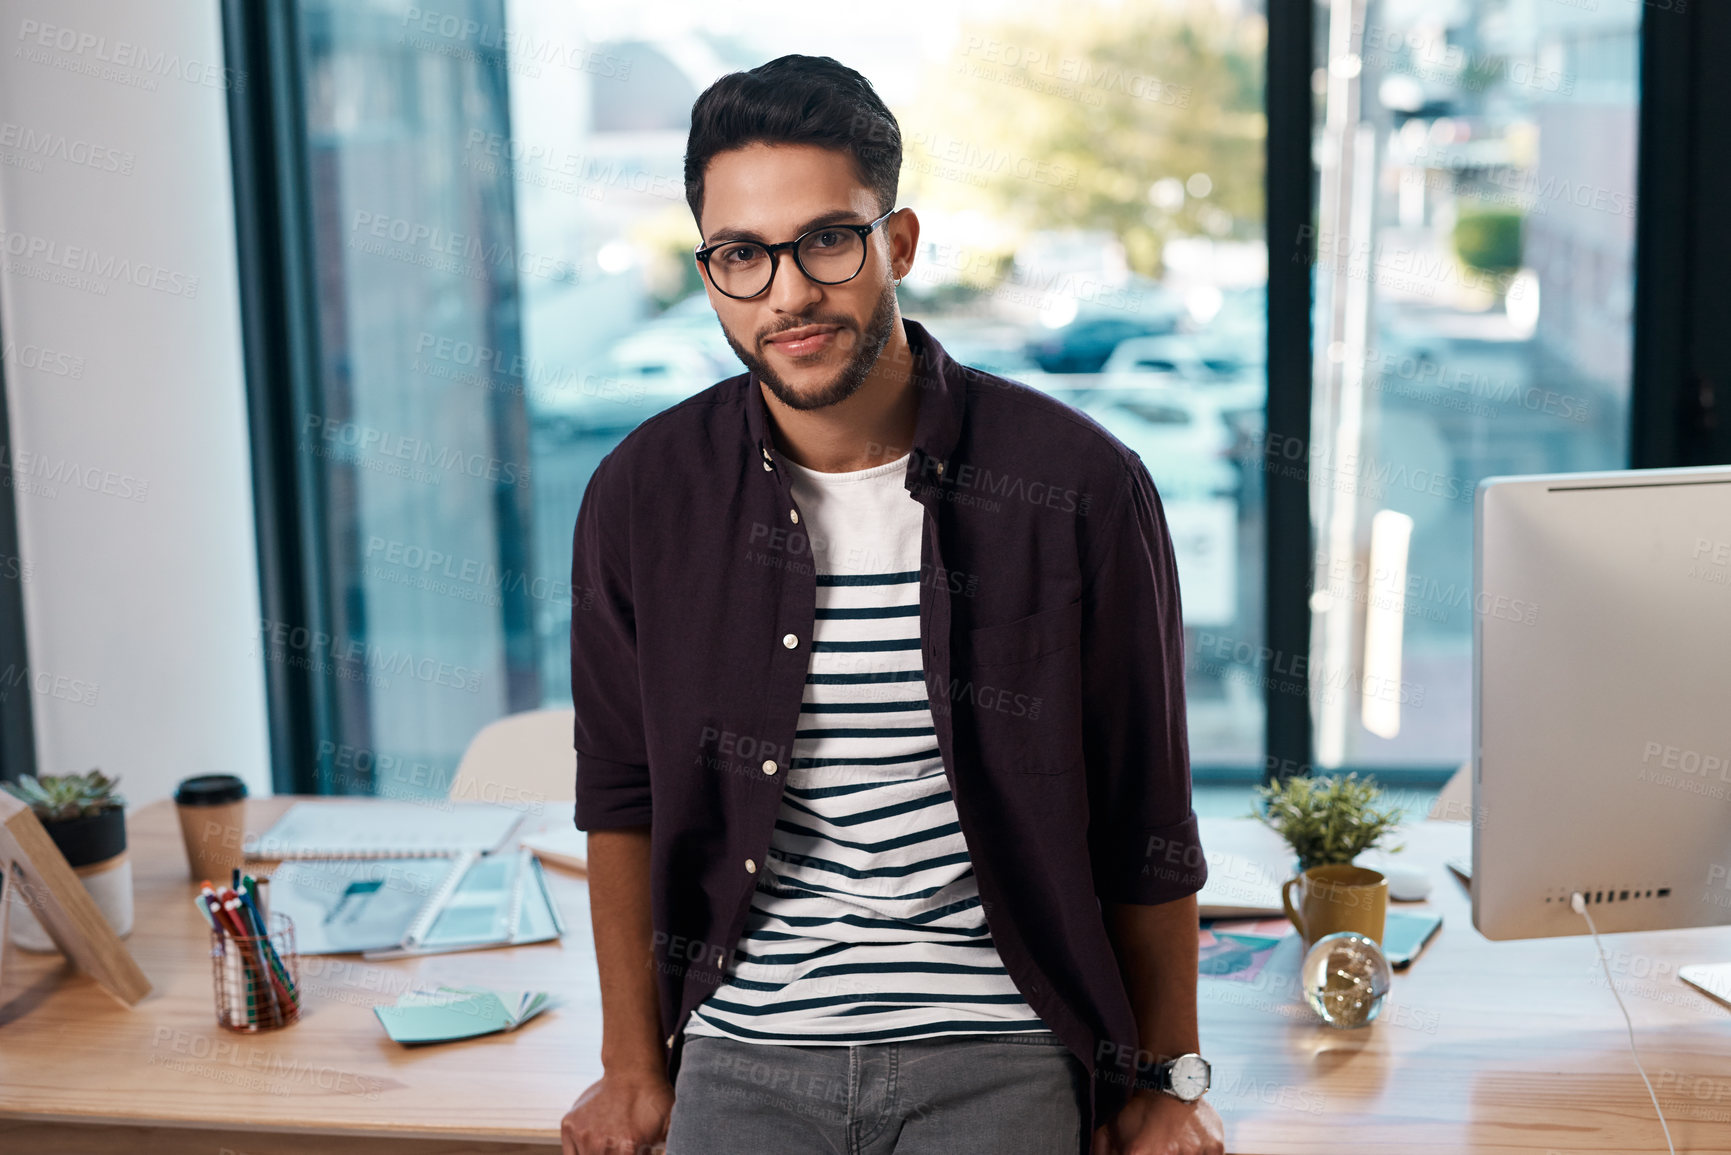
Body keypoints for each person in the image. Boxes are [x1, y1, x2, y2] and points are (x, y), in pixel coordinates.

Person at [560, 53, 1220, 1155]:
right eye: (740, 255)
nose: (787, 292)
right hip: (745, 1045)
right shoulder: (642, 497)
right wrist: (632, 1068)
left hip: (999, 1043)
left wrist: (1166, 1081)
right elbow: (620, 801)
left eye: (826, 240)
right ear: (709, 269)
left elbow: (1148, 815)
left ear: (897, 242)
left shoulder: (1077, 488)